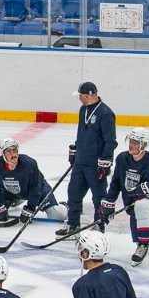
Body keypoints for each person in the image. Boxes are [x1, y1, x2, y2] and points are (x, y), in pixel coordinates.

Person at [97, 127, 149, 265]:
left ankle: (143, 245)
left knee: (142, 206)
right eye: (130, 141)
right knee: (138, 228)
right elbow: (116, 183)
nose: (131, 145)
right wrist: (109, 201)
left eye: (135, 142)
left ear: (144, 145)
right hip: (132, 204)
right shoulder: (122, 159)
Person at [58, 82, 116, 238]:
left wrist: (106, 160)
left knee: (98, 196)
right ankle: (73, 224)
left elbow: (110, 140)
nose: (79, 99)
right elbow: (81, 134)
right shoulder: (83, 109)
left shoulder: (105, 113)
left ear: (88, 95)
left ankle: (99, 224)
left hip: (95, 165)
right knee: (73, 194)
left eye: (80, 96)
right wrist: (75, 149)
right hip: (80, 162)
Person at [0, 137, 66, 226]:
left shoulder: (29, 164)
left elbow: (35, 189)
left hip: (38, 189)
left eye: (14, 150)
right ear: (3, 154)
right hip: (10, 192)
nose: (13, 154)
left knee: (56, 215)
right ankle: (16, 201)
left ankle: (65, 206)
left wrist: (30, 209)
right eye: (9, 151)